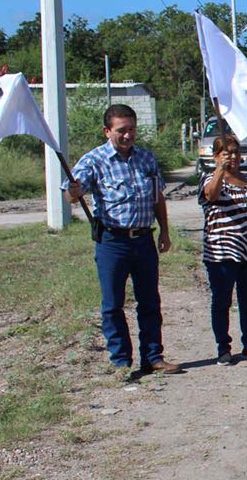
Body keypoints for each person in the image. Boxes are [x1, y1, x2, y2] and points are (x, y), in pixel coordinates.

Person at [65, 104, 181, 374]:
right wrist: (73, 190)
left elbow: (157, 197)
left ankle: (153, 357)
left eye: (132, 129)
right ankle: (121, 361)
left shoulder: (146, 159)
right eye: (121, 130)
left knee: (150, 301)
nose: (128, 135)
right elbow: (72, 194)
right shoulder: (94, 160)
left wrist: (164, 230)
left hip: (143, 240)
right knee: (113, 304)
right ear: (107, 131)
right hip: (112, 242)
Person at [200, 134, 247, 365]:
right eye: (226, 153)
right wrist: (220, 172)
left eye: (235, 152)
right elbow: (211, 196)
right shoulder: (209, 179)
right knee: (222, 301)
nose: (233, 157)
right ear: (216, 157)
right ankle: (223, 348)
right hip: (221, 252)